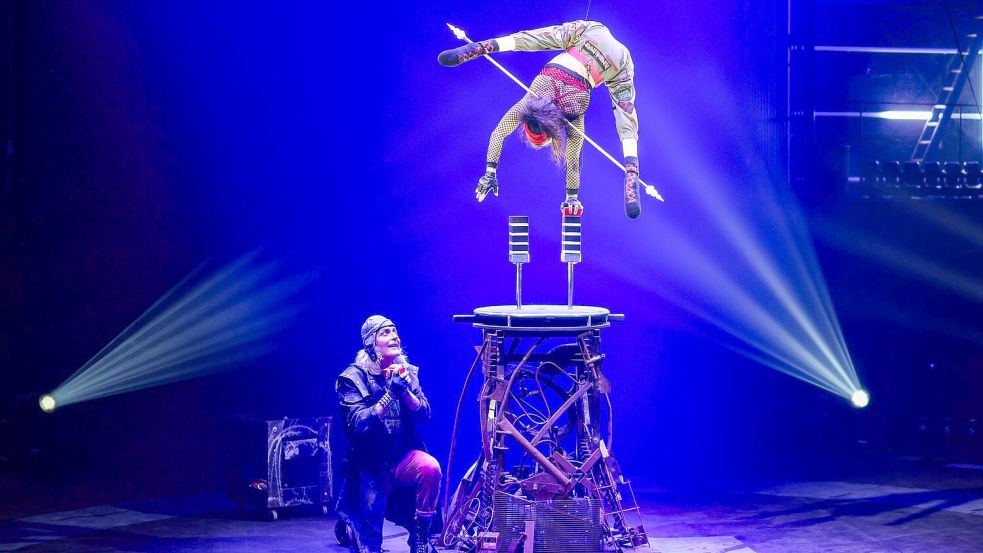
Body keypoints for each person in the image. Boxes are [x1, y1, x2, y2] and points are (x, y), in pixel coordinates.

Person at [439, 20, 643, 219]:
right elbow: (499, 132)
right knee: (539, 39)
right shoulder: (531, 102)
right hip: (572, 55)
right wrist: (488, 172)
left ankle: (632, 169)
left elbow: (573, 158)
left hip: (584, 88)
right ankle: (484, 46)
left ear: (549, 135)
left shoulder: (568, 115)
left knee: (623, 113)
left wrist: (572, 198)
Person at [335, 316, 441, 553]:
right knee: (370, 544)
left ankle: (420, 538)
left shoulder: (407, 373)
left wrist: (404, 392)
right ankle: (350, 527)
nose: (394, 336)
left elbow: (425, 415)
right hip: (370, 464)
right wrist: (390, 393)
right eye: (385, 333)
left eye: (395, 331)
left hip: (402, 458)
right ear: (371, 344)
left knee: (430, 467)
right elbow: (358, 424)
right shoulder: (353, 378)